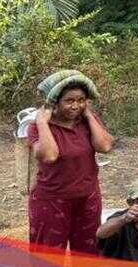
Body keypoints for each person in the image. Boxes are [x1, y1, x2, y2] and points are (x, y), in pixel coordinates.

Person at [27, 70, 113, 255]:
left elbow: (105, 146)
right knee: (48, 259)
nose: (76, 106)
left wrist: (89, 115)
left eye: (81, 100)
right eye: (69, 101)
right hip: (51, 201)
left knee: (87, 254)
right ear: (54, 103)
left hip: (87, 198)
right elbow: (49, 156)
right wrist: (42, 122)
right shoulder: (38, 126)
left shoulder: (87, 122)